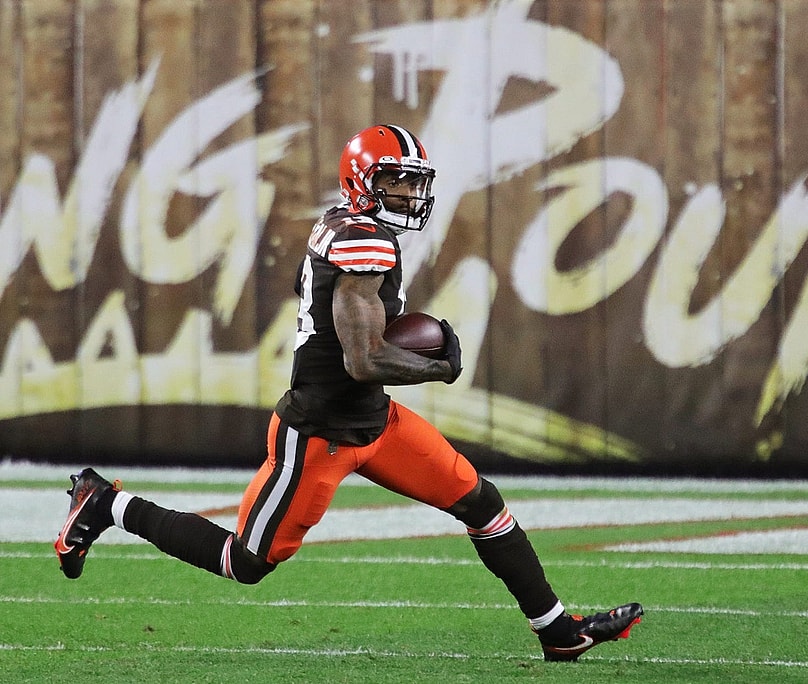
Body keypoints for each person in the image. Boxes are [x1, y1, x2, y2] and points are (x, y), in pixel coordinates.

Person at [54, 124, 642, 662]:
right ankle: (105, 503)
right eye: (396, 181)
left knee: (480, 503)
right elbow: (364, 361)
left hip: (375, 422)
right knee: (245, 562)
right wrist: (438, 367)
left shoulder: (353, 228)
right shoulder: (362, 242)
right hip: (320, 431)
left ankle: (557, 632)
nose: (410, 194)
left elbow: (367, 353)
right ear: (364, 182)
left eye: (413, 182)